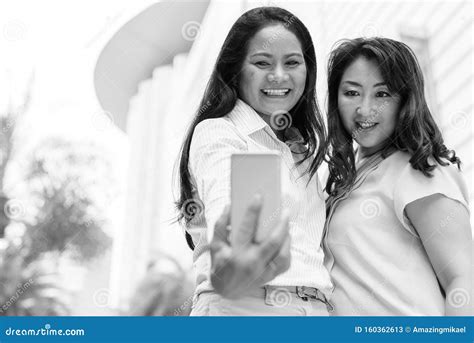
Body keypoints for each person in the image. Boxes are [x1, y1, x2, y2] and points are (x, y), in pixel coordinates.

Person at [176, 6, 333, 315]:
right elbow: (232, 208)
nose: (278, 75)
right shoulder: (223, 132)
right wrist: (235, 255)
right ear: (235, 70)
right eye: (262, 62)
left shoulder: (299, 151)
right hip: (249, 307)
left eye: (292, 62)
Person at [323, 37, 471, 316]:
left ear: (405, 101)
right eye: (352, 93)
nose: (365, 110)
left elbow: (463, 281)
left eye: (382, 94)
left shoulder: (417, 168)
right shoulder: (345, 182)